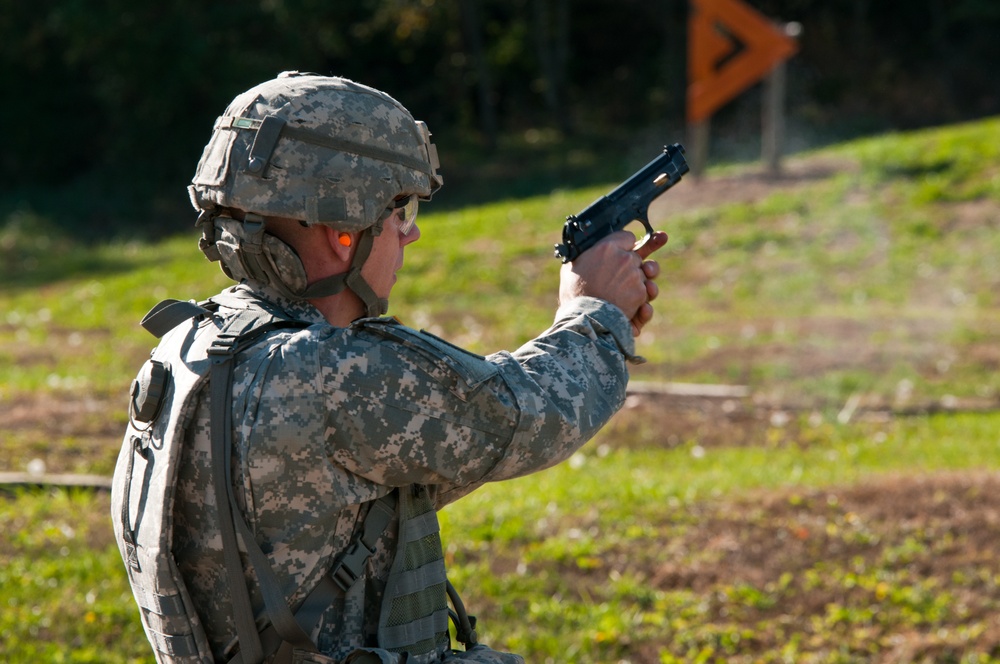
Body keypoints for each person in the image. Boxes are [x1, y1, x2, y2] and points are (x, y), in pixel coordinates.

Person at [112, 71, 668, 664]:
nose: (412, 232)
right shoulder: (332, 372)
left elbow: (440, 446)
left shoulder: (189, 349)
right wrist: (594, 312)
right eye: (399, 210)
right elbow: (523, 415)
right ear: (344, 233)